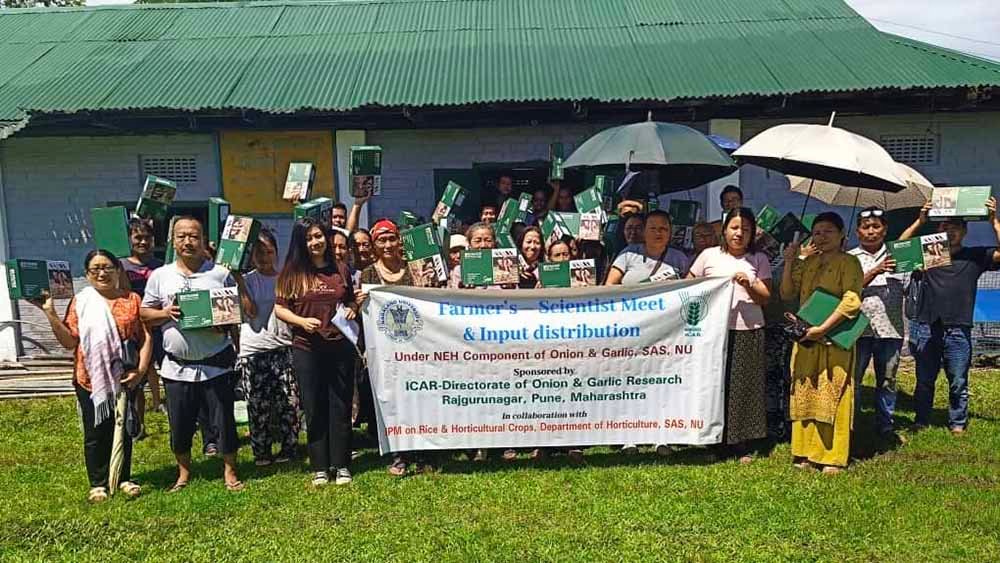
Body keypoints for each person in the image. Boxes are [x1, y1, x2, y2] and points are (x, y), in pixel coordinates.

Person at [31, 250, 151, 502]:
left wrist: (140, 371)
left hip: (124, 376)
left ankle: (123, 477)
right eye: (95, 269)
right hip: (90, 379)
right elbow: (69, 341)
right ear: (87, 274)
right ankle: (98, 483)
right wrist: (50, 313)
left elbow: (144, 337)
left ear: (118, 270)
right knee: (96, 432)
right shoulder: (81, 302)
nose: (102, 273)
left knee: (123, 427)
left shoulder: (131, 300)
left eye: (107, 267)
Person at [140, 217, 244, 492]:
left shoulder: (219, 274)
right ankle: (183, 473)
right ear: (172, 241)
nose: (188, 242)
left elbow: (233, 316)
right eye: (181, 236)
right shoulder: (160, 276)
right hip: (176, 367)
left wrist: (222, 324)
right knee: (180, 424)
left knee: (224, 421)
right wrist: (165, 313)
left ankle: (230, 471)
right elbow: (144, 313)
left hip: (216, 363)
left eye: (194, 236)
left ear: (203, 240)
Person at [899, 198, 1000, 435]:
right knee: (924, 380)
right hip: (927, 324)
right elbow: (900, 251)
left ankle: (957, 423)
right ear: (938, 231)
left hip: (958, 326)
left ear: (964, 232)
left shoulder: (974, 256)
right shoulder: (932, 253)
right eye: (945, 227)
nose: (950, 232)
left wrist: (993, 221)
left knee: (958, 380)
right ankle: (921, 420)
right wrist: (919, 221)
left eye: (956, 228)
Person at [275, 217, 359, 487]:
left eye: (319, 236)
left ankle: (342, 464)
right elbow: (280, 308)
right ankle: (320, 466)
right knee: (314, 406)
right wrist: (300, 322)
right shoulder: (292, 272)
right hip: (307, 348)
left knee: (340, 404)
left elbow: (350, 301)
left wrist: (353, 308)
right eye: (309, 238)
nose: (315, 242)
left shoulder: (341, 269)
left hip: (340, 346)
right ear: (301, 242)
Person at [779, 212, 863, 474]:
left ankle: (832, 457)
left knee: (833, 390)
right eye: (817, 232)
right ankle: (804, 451)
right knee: (805, 390)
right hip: (807, 337)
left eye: (828, 231)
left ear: (842, 235)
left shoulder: (849, 262)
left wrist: (823, 328)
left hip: (833, 338)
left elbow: (852, 301)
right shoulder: (809, 263)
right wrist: (790, 261)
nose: (822, 236)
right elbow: (787, 293)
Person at [357, 219, 442, 474]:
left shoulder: (415, 269)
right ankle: (399, 455)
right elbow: (364, 313)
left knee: (420, 398)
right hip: (386, 352)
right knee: (393, 402)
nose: (387, 245)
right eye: (381, 240)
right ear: (374, 244)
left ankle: (424, 453)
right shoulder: (368, 274)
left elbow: (432, 301)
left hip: (417, 349)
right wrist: (359, 302)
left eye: (392, 239)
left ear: (400, 241)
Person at [688, 208, 771, 462]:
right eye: (734, 228)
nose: (739, 234)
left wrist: (750, 284)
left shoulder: (759, 259)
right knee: (715, 385)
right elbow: (688, 286)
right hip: (712, 332)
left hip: (748, 329)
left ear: (752, 233)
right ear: (724, 230)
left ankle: (741, 443)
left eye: (746, 229)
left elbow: (765, 298)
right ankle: (714, 442)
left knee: (744, 386)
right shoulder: (708, 255)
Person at [236, 229, 300, 467]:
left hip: (282, 347)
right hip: (254, 349)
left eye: (269, 252)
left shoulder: (285, 279)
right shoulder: (246, 280)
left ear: (276, 253)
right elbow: (250, 311)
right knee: (257, 404)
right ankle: (261, 452)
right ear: (252, 254)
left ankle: (289, 448)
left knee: (288, 403)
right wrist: (239, 282)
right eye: (259, 252)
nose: (264, 257)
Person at [847, 207, 903, 438]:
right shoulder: (850, 258)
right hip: (858, 329)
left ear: (884, 230)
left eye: (876, 227)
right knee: (854, 378)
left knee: (888, 379)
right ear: (857, 231)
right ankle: (852, 422)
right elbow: (849, 288)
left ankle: (885, 424)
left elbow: (909, 287)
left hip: (891, 328)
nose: (871, 232)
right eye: (866, 227)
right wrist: (875, 270)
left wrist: (919, 272)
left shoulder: (898, 255)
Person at [120, 219, 166, 425]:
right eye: (138, 237)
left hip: (160, 326)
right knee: (137, 375)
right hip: (135, 329)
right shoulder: (121, 265)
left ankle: (167, 408)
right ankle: (138, 424)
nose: (143, 242)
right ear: (129, 239)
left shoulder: (161, 265)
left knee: (167, 369)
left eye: (147, 237)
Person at [605, 209, 690, 286]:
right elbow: (610, 284)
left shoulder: (680, 258)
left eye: (663, 229)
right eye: (653, 228)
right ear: (644, 231)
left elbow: (688, 287)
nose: (658, 233)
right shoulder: (629, 253)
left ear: (670, 232)